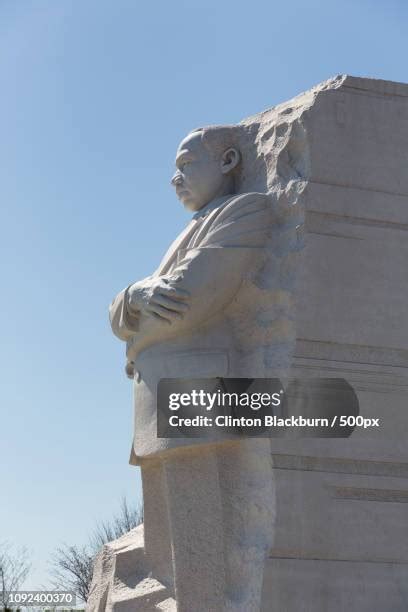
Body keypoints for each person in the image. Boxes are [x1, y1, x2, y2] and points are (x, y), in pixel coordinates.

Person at [109, 125, 276, 611]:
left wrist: (132, 330)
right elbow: (120, 310)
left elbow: (187, 300)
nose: (174, 179)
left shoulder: (245, 210)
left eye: (186, 166)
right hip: (159, 396)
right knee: (168, 557)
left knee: (201, 561)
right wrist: (136, 297)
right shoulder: (193, 227)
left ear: (227, 161)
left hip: (198, 391)